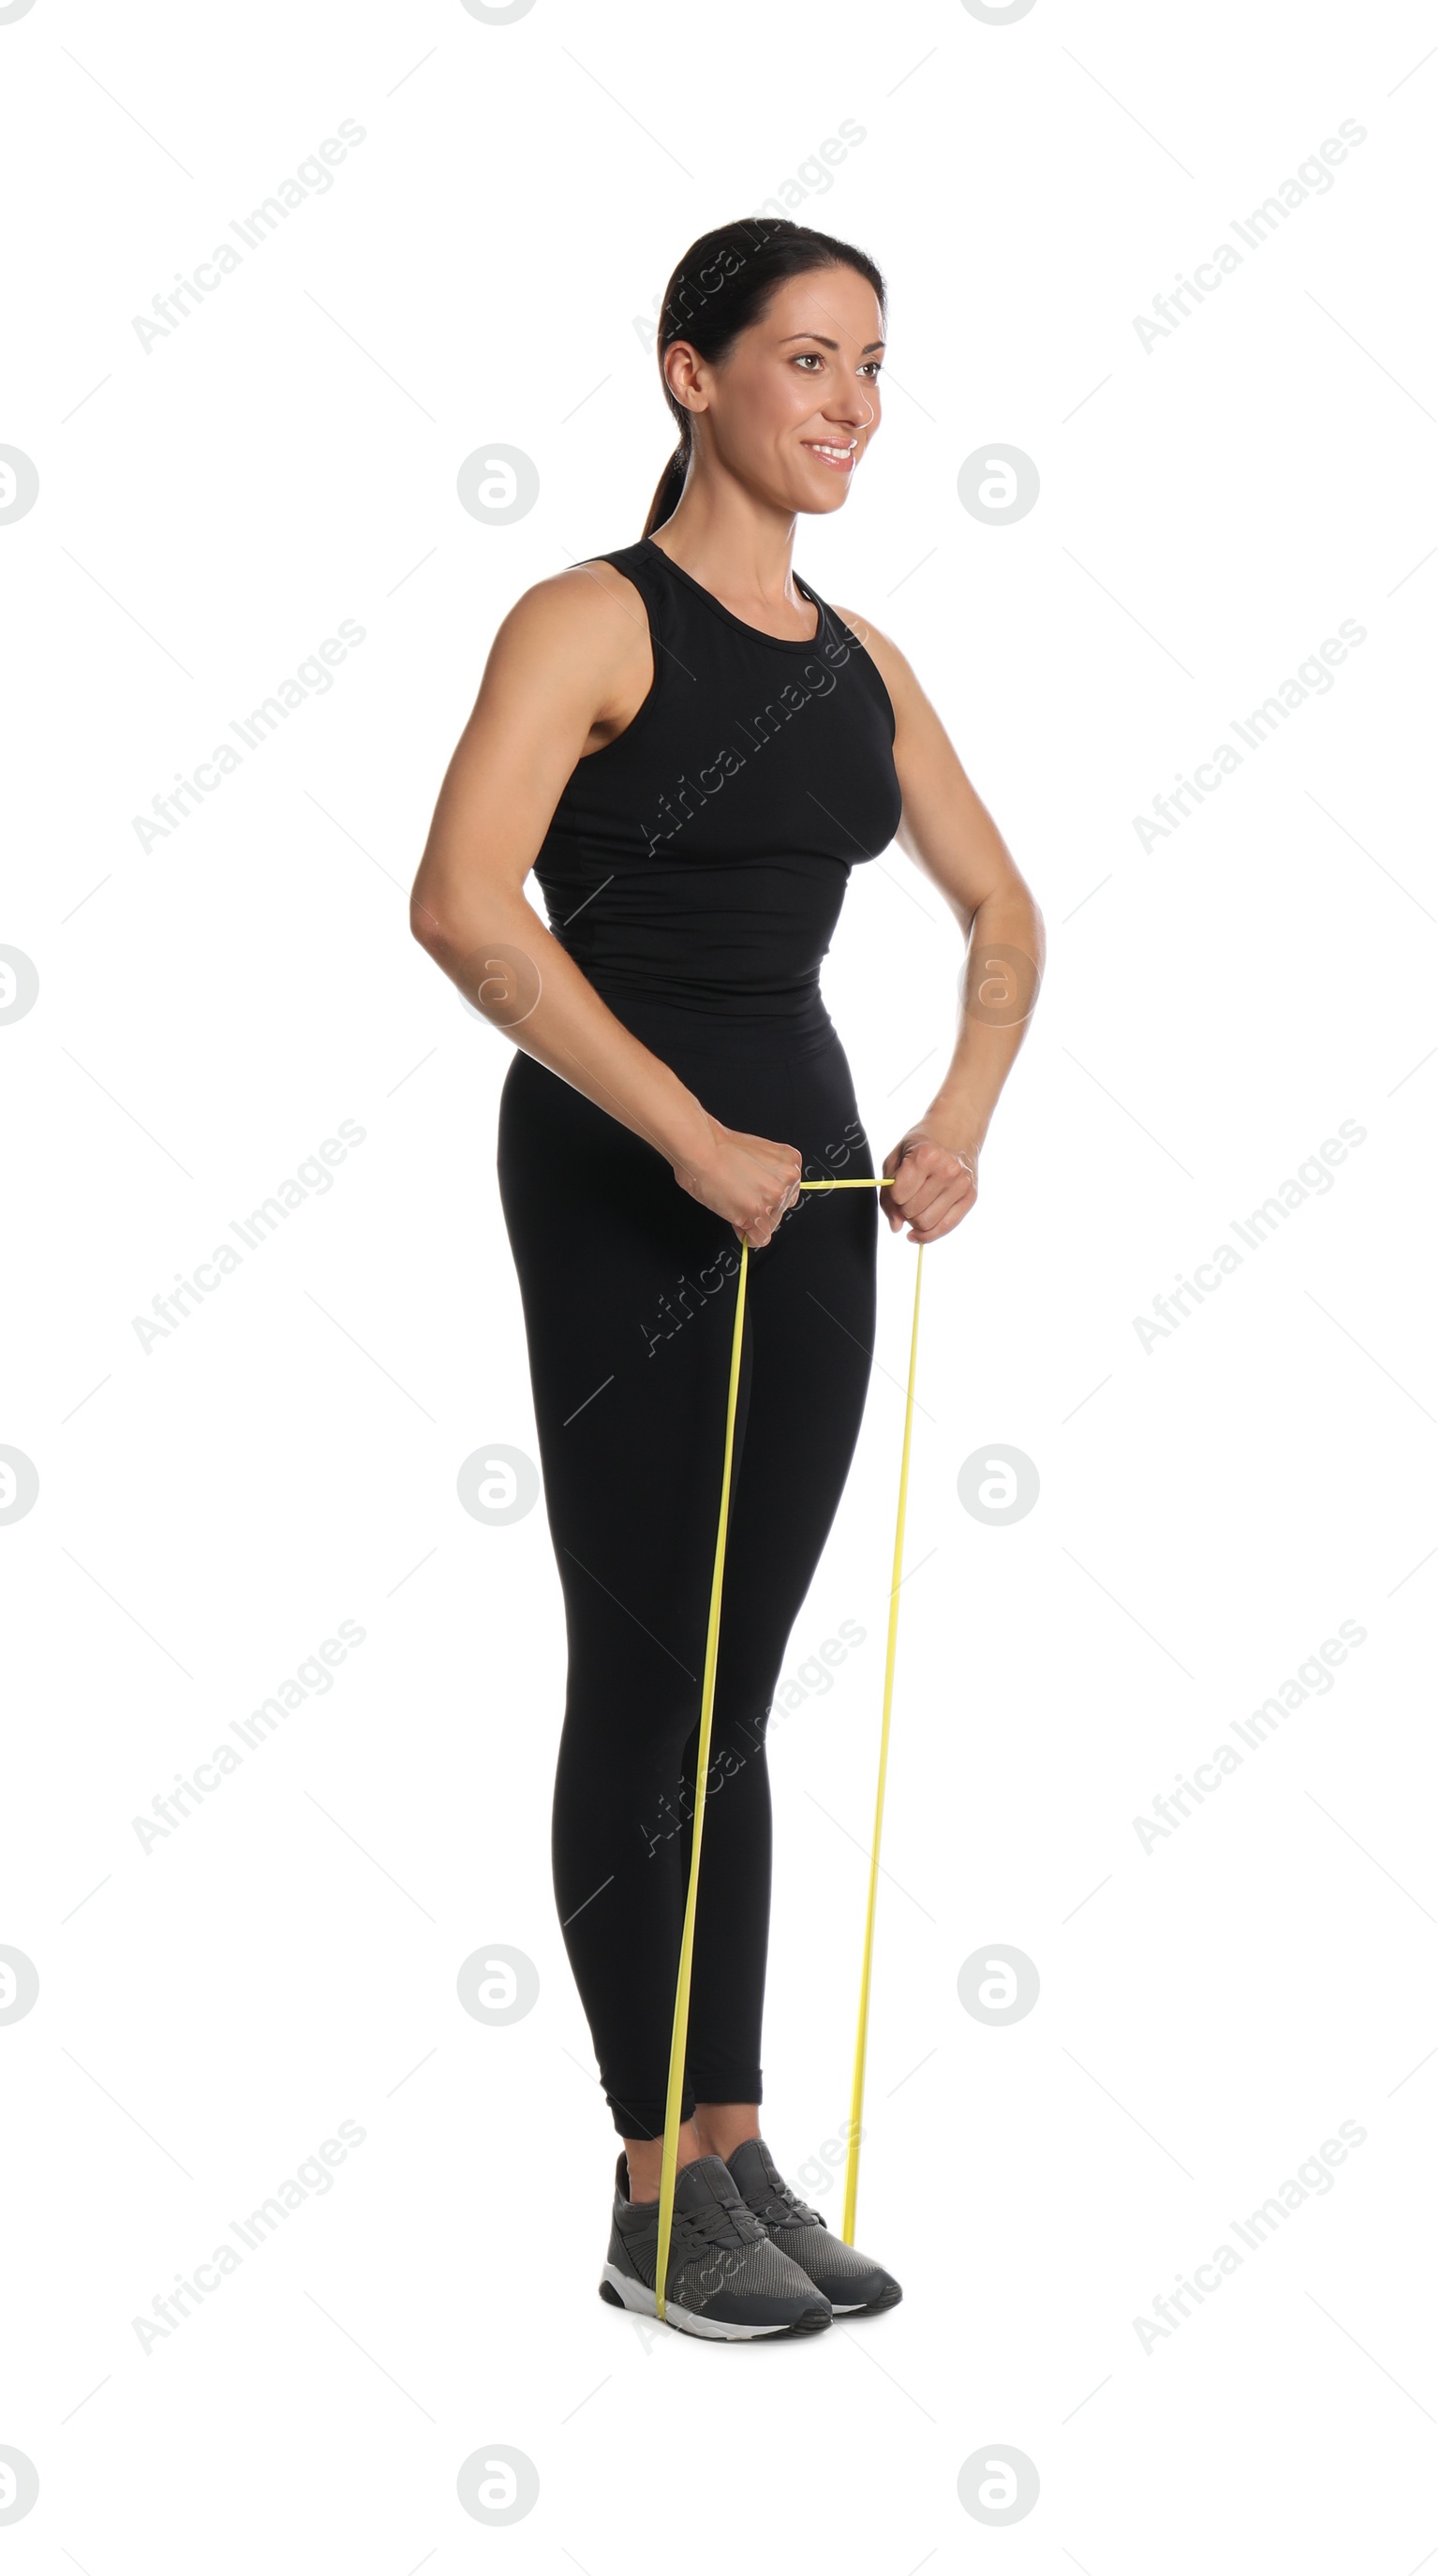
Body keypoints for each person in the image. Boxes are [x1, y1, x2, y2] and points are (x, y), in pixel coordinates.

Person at [409, 217, 1044, 2340]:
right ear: (689, 375)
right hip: (624, 1176)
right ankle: (638, 2188)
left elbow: (1002, 913)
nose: (849, 402)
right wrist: (681, 1134)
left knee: (739, 1680)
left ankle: (734, 2150)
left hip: (820, 1185)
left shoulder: (859, 662)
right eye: (803, 358)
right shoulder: (586, 619)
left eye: (872, 362)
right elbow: (463, 909)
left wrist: (951, 1117)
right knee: (641, 1661)